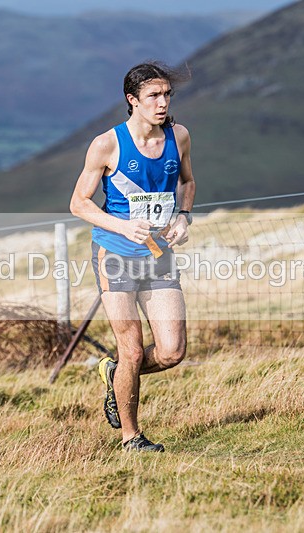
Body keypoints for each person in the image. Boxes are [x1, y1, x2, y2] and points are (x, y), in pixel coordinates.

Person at [69, 61, 196, 452]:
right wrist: (122, 226)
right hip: (116, 255)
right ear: (132, 100)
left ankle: (114, 373)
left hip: (158, 254)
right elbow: (78, 203)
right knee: (133, 349)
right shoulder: (107, 144)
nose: (163, 103)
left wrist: (184, 216)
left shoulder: (179, 136)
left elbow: (188, 182)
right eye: (153, 96)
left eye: (166, 95)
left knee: (173, 351)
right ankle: (131, 437)